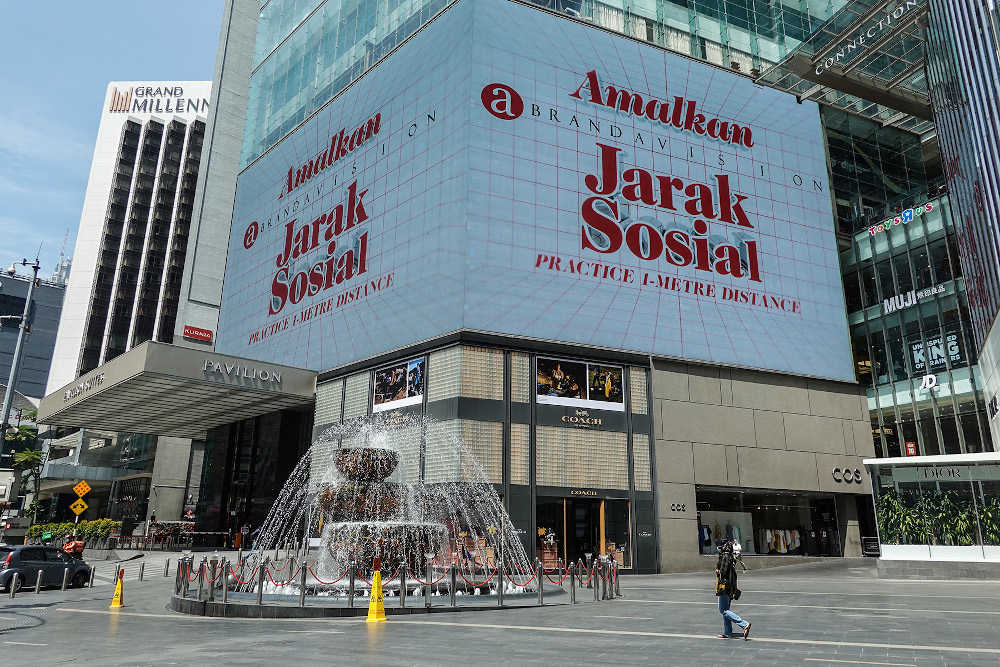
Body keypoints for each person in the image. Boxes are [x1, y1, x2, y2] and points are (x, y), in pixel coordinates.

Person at [715, 540, 751, 640]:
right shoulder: (730, 555)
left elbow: (723, 571)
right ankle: (728, 632)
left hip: (724, 586)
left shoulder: (725, 556)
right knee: (726, 609)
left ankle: (744, 624)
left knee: (723, 609)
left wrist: (718, 571)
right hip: (730, 585)